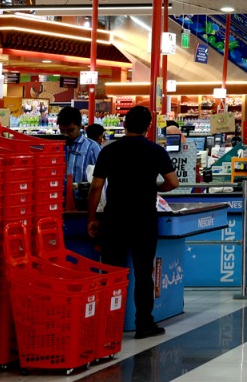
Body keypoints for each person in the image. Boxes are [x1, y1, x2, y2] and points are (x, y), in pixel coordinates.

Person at [86, 106, 178, 338]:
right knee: (143, 272)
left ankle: (109, 324)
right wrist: (155, 188)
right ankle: (144, 324)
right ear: (148, 127)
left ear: (124, 124)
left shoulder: (108, 150)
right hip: (143, 220)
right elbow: (173, 182)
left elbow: (96, 186)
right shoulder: (156, 151)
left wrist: (92, 218)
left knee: (112, 273)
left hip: (114, 219)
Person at [59, 105, 100, 207]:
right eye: (62, 130)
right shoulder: (58, 146)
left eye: (70, 130)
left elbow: (99, 181)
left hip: (83, 203)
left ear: (80, 126)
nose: (65, 134)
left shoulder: (92, 148)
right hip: (60, 201)